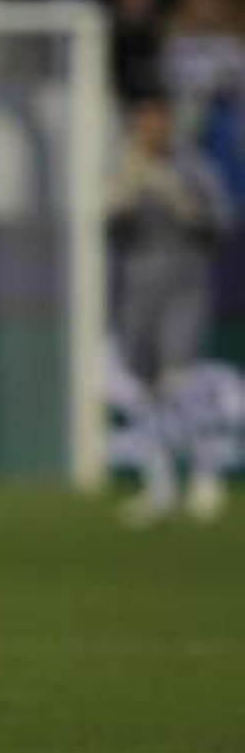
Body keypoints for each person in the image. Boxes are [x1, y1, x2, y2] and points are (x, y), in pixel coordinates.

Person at [107, 89, 234, 526]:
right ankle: (158, 485)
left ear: (168, 121)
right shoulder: (123, 164)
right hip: (137, 286)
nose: (150, 128)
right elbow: (111, 228)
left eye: (156, 119)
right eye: (142, 119)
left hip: (184, 282)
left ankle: (206, 476)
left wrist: (189, 209)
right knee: (141, 388)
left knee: (180, 381)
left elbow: (223, 222)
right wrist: (118, 207)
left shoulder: (194, 166)